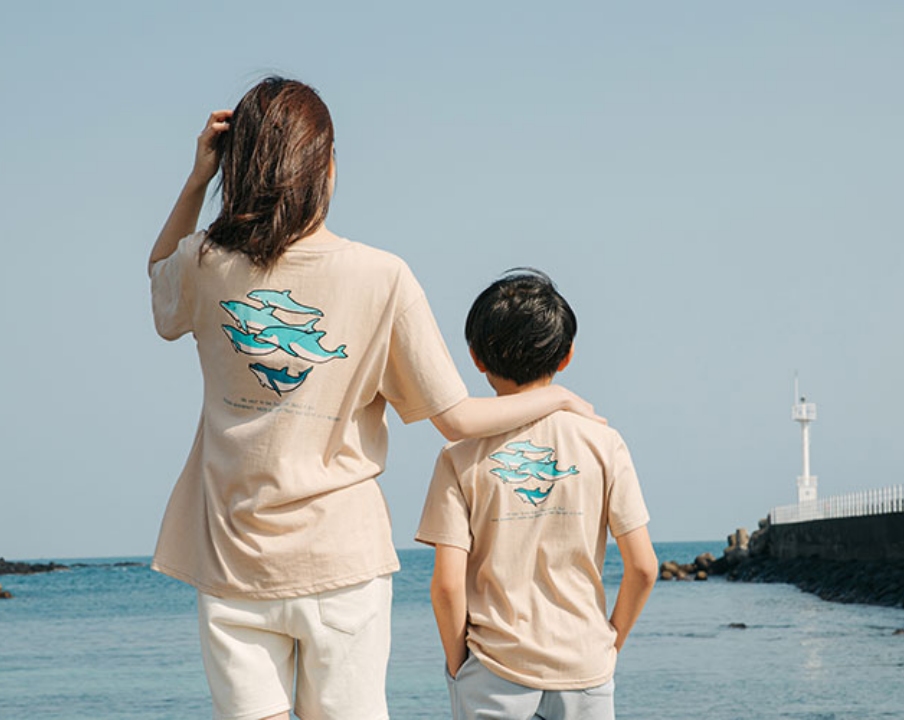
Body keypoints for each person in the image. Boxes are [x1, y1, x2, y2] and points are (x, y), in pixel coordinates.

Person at [147, 77, 601, 720]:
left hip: (233, 562)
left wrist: (197, 179)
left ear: (236, 165)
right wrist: (557, 400)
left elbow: (158, 282)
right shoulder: (382, 276)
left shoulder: (202, 263)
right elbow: (457, 419)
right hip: (344, 563)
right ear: (327, 167)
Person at [416, 269, 658, 720]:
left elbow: (447, 586)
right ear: (566, 356)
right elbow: (643, 568)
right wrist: (608, 648)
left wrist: (458, 667)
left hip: (494, 668)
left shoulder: (459, 456)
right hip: (585, 667)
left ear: (476, 357)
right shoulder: (605, 444)